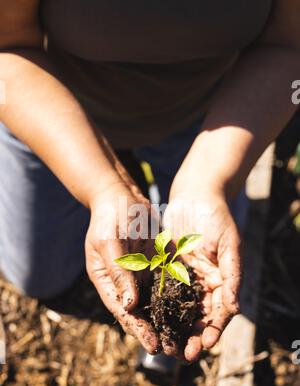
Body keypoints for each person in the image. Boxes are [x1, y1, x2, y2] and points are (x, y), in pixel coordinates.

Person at [0, 0, 299, 363]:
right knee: (40, 277)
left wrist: (209, 180)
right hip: (56, 114)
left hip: (210, 118)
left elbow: (288, 43)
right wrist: (102, 186)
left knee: (201, 255)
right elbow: (8, 49)